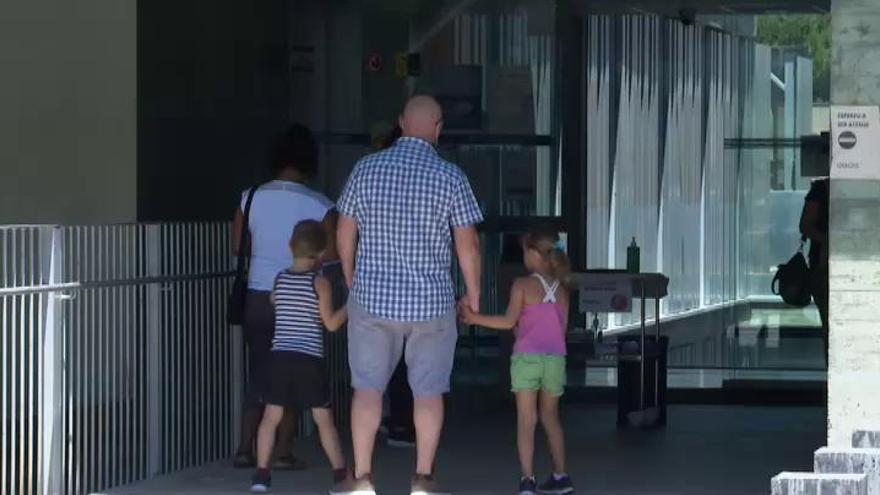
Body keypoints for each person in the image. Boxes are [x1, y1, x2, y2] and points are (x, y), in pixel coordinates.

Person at [335, 95, 484, 495]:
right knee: (429, 391)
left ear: (401, 123)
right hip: (431, 304)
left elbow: (345, 232)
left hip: (373, 299)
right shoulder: (451, 177)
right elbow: (467, 246)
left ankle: (362, 478)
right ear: (438, 129)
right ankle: (422, 478)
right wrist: (473, 295)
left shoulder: (366, 169)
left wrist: (351, 278)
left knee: (367, 388)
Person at [232, 124, 337, 469]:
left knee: (261, 371)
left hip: (258, 296)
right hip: (302, 295)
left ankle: (245, 448)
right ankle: (282, 452)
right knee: (289, 372)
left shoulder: (250, 197)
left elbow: (238, 246)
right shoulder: (319, 204)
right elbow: (333, 253)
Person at [460, 224, 575, 495]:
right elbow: (561, 330)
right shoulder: (563, 290)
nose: (523, 257)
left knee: (527, 419)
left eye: (524, 251)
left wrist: (473, 317)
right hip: (555, 359)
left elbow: (508, 321)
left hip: (527, 358)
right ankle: (561, 477)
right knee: (551, 418)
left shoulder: (522, 285)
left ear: (534, 254)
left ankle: (528, 481)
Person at [250, 221, 349, 493]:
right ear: (321, 252)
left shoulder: (280, 278)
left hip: (279, 356)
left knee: (271, 416)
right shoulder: (319, 282)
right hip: (309, 358)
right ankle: (341, 474)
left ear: (291, 246)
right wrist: (352, 306)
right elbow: (330, 323)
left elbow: (273, 300)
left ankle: (261, 475)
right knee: (322, 418)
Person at [800, 177, 829, 365]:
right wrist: (829, 239)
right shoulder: (821, 188)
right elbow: (805, 226)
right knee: (829, 326)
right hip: (823, 267)